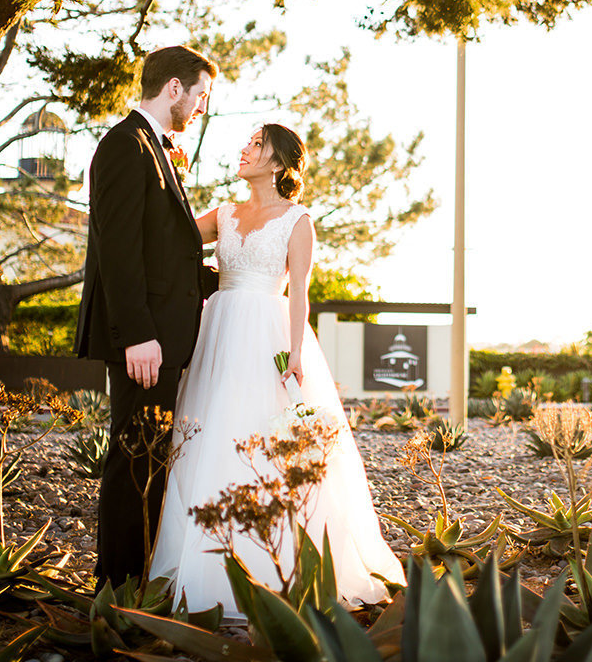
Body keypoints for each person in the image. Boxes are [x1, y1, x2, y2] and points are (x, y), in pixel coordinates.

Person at [149, 124, 405, 614]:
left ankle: (276, 565)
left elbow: (300, 292)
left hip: (266, 330)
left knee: (263, 437)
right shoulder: (224, 213)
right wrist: (174, 173)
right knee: (209, 433)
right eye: (246, 143)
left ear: (278, 162)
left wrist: (295, 352)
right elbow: (172, 231)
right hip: (217, 329)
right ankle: (201, 562)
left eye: (256, 145)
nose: (244, 150)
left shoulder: (297, 220)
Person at [75, 45, 217, 588]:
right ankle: (118, 587)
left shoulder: (153, 148)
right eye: (200, 94)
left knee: (151, 457)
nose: (202, 106)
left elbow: (163, 253)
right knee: (134, 458)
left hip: (161, 337)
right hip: (143, 341)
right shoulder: (124, 146)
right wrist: (137, 334)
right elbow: (118, 250)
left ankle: (137, 576)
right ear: (174, 89)